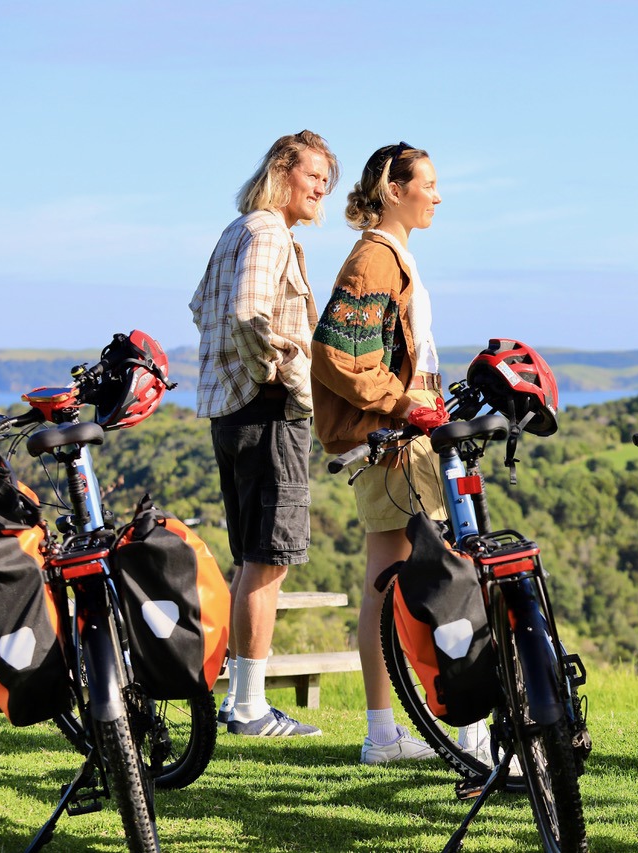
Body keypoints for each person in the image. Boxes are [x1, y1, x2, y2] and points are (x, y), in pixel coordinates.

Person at [311, 142, 486, 764]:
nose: (437, 195)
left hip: (395, 440)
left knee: (386, 586)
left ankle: (384, 733)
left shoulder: (390, 256)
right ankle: (468, 732)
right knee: (443, 577)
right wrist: (404, 402)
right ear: (393, 188)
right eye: (429, 184)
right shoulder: (375, 260)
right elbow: (336, 353)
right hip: (393, 445)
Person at [190, 130, 339, 737]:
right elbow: (249, 314)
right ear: (283, 170)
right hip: (266, 409)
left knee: (255, 555)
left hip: (232, 412)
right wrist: (279, 369)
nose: (322, 188)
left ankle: (239, 699)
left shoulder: (237, 231)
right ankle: (248, 707)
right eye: (315, 176)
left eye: (328, 179)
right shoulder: (269, 231)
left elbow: (202, 308)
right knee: (269, 557)